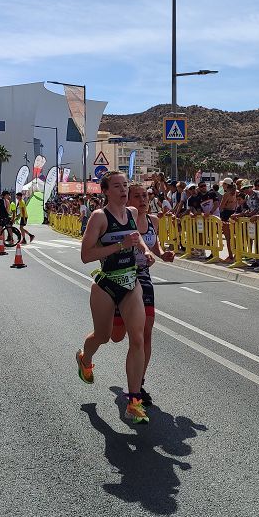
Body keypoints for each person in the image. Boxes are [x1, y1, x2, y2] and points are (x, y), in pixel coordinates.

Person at [75, 172, 155, 425]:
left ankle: (134, 401)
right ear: (106, 191)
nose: (123, 190)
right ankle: (85, 359)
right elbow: (86, 255)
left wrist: (144, 250)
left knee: (138, 338)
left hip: (131, 283)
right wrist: (120, 246)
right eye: (118, 186)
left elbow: (137, 235)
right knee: (103, 336)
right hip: (106, 284)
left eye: (125, 186)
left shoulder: (131, 212)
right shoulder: (99, 217)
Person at [109, 184, 173, 405]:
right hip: (120, 276)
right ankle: (88, 352)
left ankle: (138, 384)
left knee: (145, 333)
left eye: (145, 196)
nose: (143, 200)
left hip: (142, 278)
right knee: (115, 336)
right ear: (128, 200)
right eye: (137, 196)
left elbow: (155, 246)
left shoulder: (154, 220)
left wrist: (164, 255)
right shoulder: (123, 220)